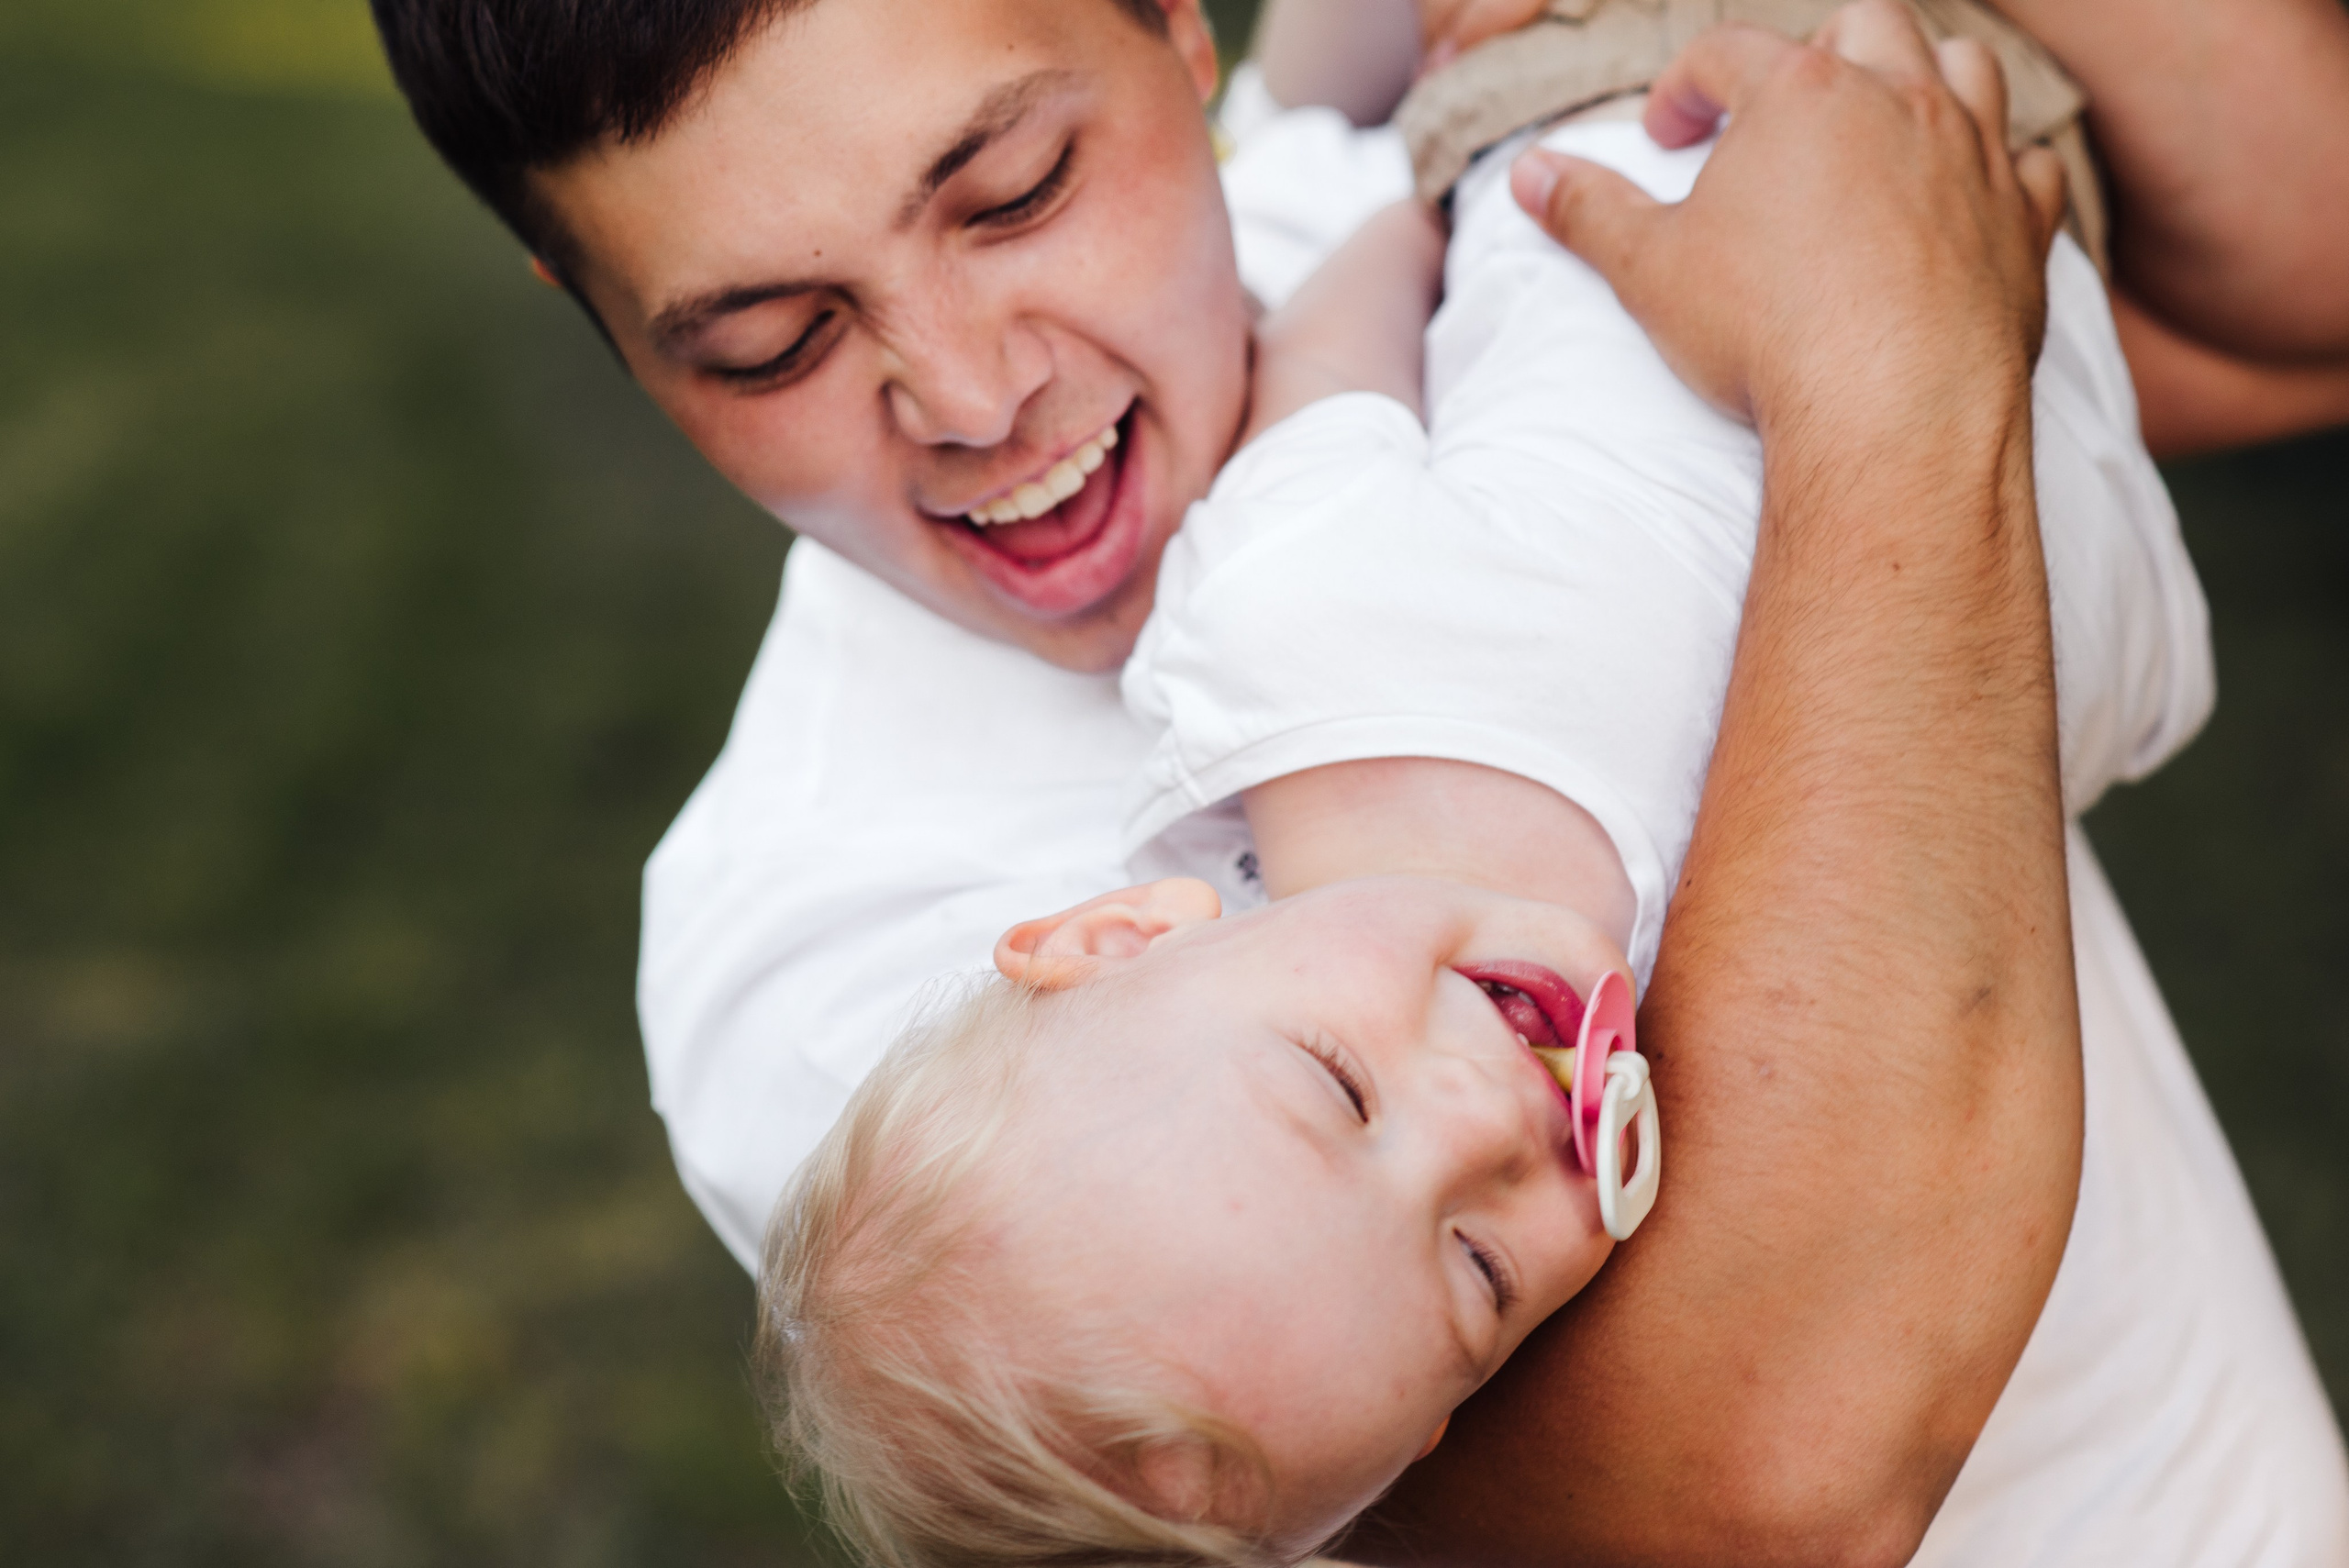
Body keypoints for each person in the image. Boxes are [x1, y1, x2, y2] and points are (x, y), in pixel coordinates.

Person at [362, 0, 2349, 1559]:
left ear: (1171, 25)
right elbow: (1750, 1487)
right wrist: (1887, 363)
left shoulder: (1370, 232)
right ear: (609, 321)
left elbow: (2282, 298)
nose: (974, 397)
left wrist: (1916, 241)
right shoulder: (823, 986)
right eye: (777, 339)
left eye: (1015, 190)